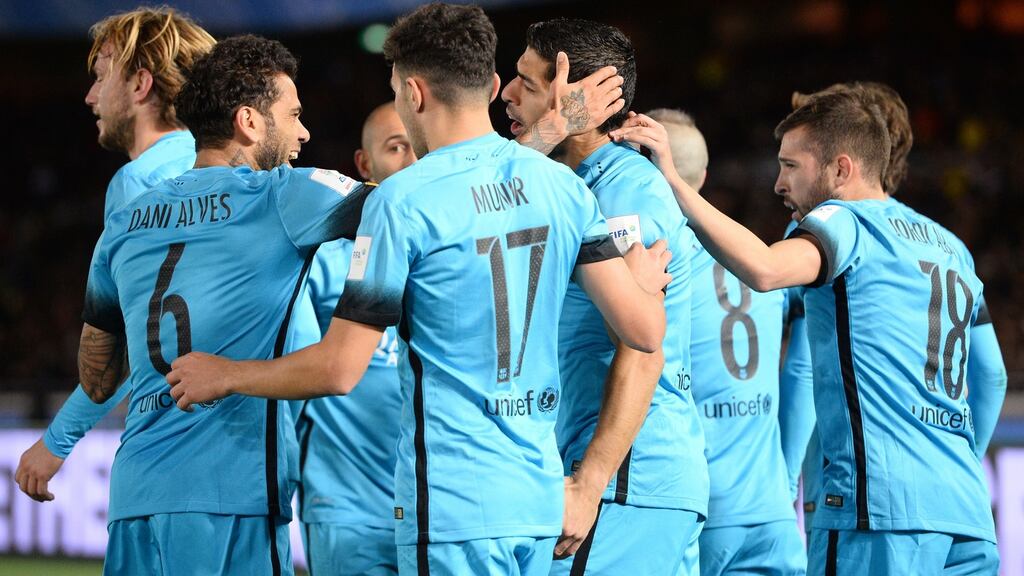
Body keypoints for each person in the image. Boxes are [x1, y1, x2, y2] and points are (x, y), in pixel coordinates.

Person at [164, 4, 671, 575]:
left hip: (452, 507)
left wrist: (227, 374)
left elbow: (339, 370)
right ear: (493, 84)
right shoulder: (565, 189)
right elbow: (645, 331)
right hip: (539, 500)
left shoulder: (400, 203)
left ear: (414, 93)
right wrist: (645, 285)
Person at [611, 92, 999, 574]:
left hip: (880, 513)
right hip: (967, 512)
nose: (778, 184)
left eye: (791, 166)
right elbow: (993, 377)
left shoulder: (844, 221)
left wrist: (672, 182)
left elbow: (767, 270)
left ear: (841, 170)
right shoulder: (951, 246)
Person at [78, 34, 371, 575]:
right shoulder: (282, 194)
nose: (304, 132)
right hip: (230, 496)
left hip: (135, 496)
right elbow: (399, 209)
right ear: (249, 121)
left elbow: (97, 378)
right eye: (294, 114)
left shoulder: (122, 223)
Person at [501, 21, 708, 575]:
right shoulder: (562, 181)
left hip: (625, 477)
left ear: (576, 94)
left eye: (525, 80)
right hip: (628, 479)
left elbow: (642, 346)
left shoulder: (622, 189)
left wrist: (590, 484)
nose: (507, 93)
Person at [781, 82, 1007, 539]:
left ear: (846, 156)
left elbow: (804, 366)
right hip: (953, 497)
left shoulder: (829, 228)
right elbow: (993, 376)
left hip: (856, 490)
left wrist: (791, 481)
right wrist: (959, 464)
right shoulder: (948, 245)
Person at [14, 6, 215, 504]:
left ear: (140, 85)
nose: (89, 96)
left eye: (101, 77)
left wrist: (57, 440)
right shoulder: (231, 171)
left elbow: (120, 355)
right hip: (232, 464)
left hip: (173, 461)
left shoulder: (138, 187)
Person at [646, 107, 805, 575]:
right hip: (772, 511)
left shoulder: (654, 266)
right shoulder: (760, 257)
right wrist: (786, 475)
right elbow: (805, 367)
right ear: (705, 175)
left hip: (694, 508)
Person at [295, 102, 413, 576]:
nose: (411, 160)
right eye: (395, 147)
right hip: (347, 509)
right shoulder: (325, 260)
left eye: (417, 146)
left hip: (437, 508)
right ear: (364, 165)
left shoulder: (451, 253)